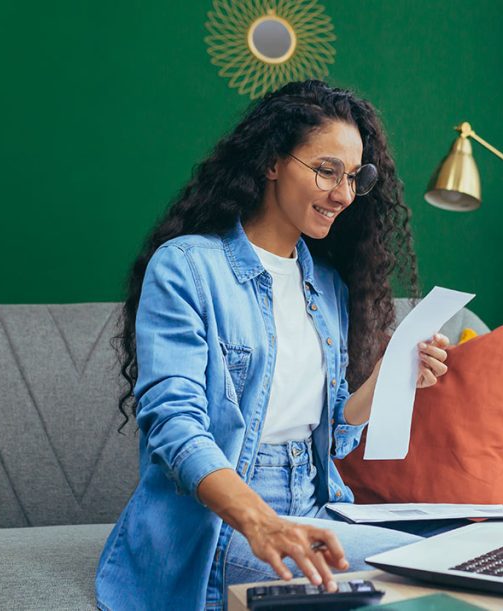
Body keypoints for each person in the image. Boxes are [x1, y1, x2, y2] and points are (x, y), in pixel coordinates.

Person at [95, 80, 450, 611]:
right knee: (431, 573)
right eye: (327, 170)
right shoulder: (189, 267)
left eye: (354, 177)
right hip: (220, 524)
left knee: (461, 553)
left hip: (317, 504)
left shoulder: (324, 285)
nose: (344, 194)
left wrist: (389, 375)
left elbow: (331, 435)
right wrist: (261, 523)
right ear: (271, 163)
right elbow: (174, 425)